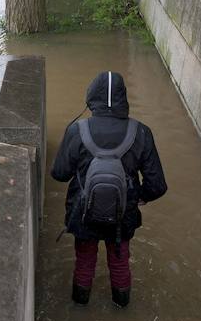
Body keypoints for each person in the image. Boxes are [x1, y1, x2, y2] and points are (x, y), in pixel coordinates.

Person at [51, 71, 167, 308]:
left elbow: (59, 174)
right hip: (122, 216)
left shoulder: (77, 130)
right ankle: (121, 307)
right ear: (124, 98)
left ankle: (80, 307)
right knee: (120, 261)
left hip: (83, 214)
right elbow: (157, 185)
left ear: (91, 97)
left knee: (84, 261)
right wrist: (140, 197)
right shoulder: (141, 132)